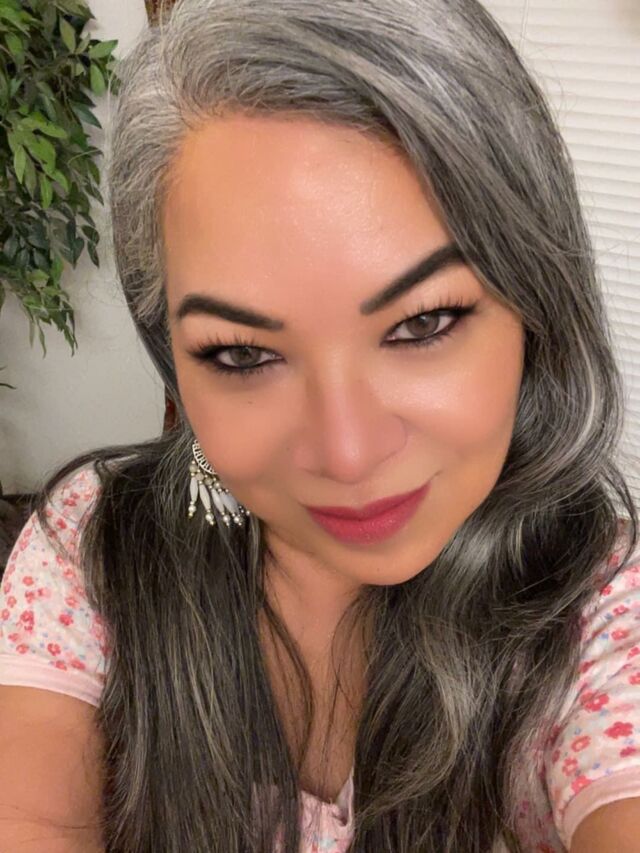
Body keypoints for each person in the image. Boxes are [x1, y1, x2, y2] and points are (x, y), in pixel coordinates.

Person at [1, 0, 639, 850]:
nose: (347, 452)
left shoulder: (602, 608)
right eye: (242, 354)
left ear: (535, 305)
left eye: (423, 323)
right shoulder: (94, 542)